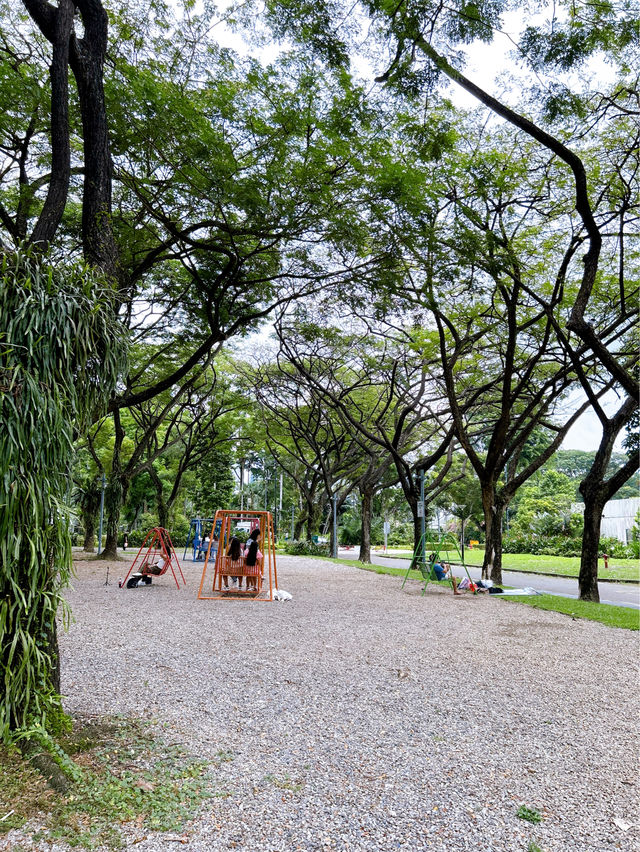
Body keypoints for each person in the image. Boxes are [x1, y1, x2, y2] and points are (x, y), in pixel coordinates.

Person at [244, 528, 263, 592]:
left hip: (248, 566)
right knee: (255, 573)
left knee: (250, 574)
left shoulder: (250, 542)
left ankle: (249, 586)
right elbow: (253, 548)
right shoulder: (251, 541)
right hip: (253, 566)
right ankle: (253, 586)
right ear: (257, 535)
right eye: (259, 535)